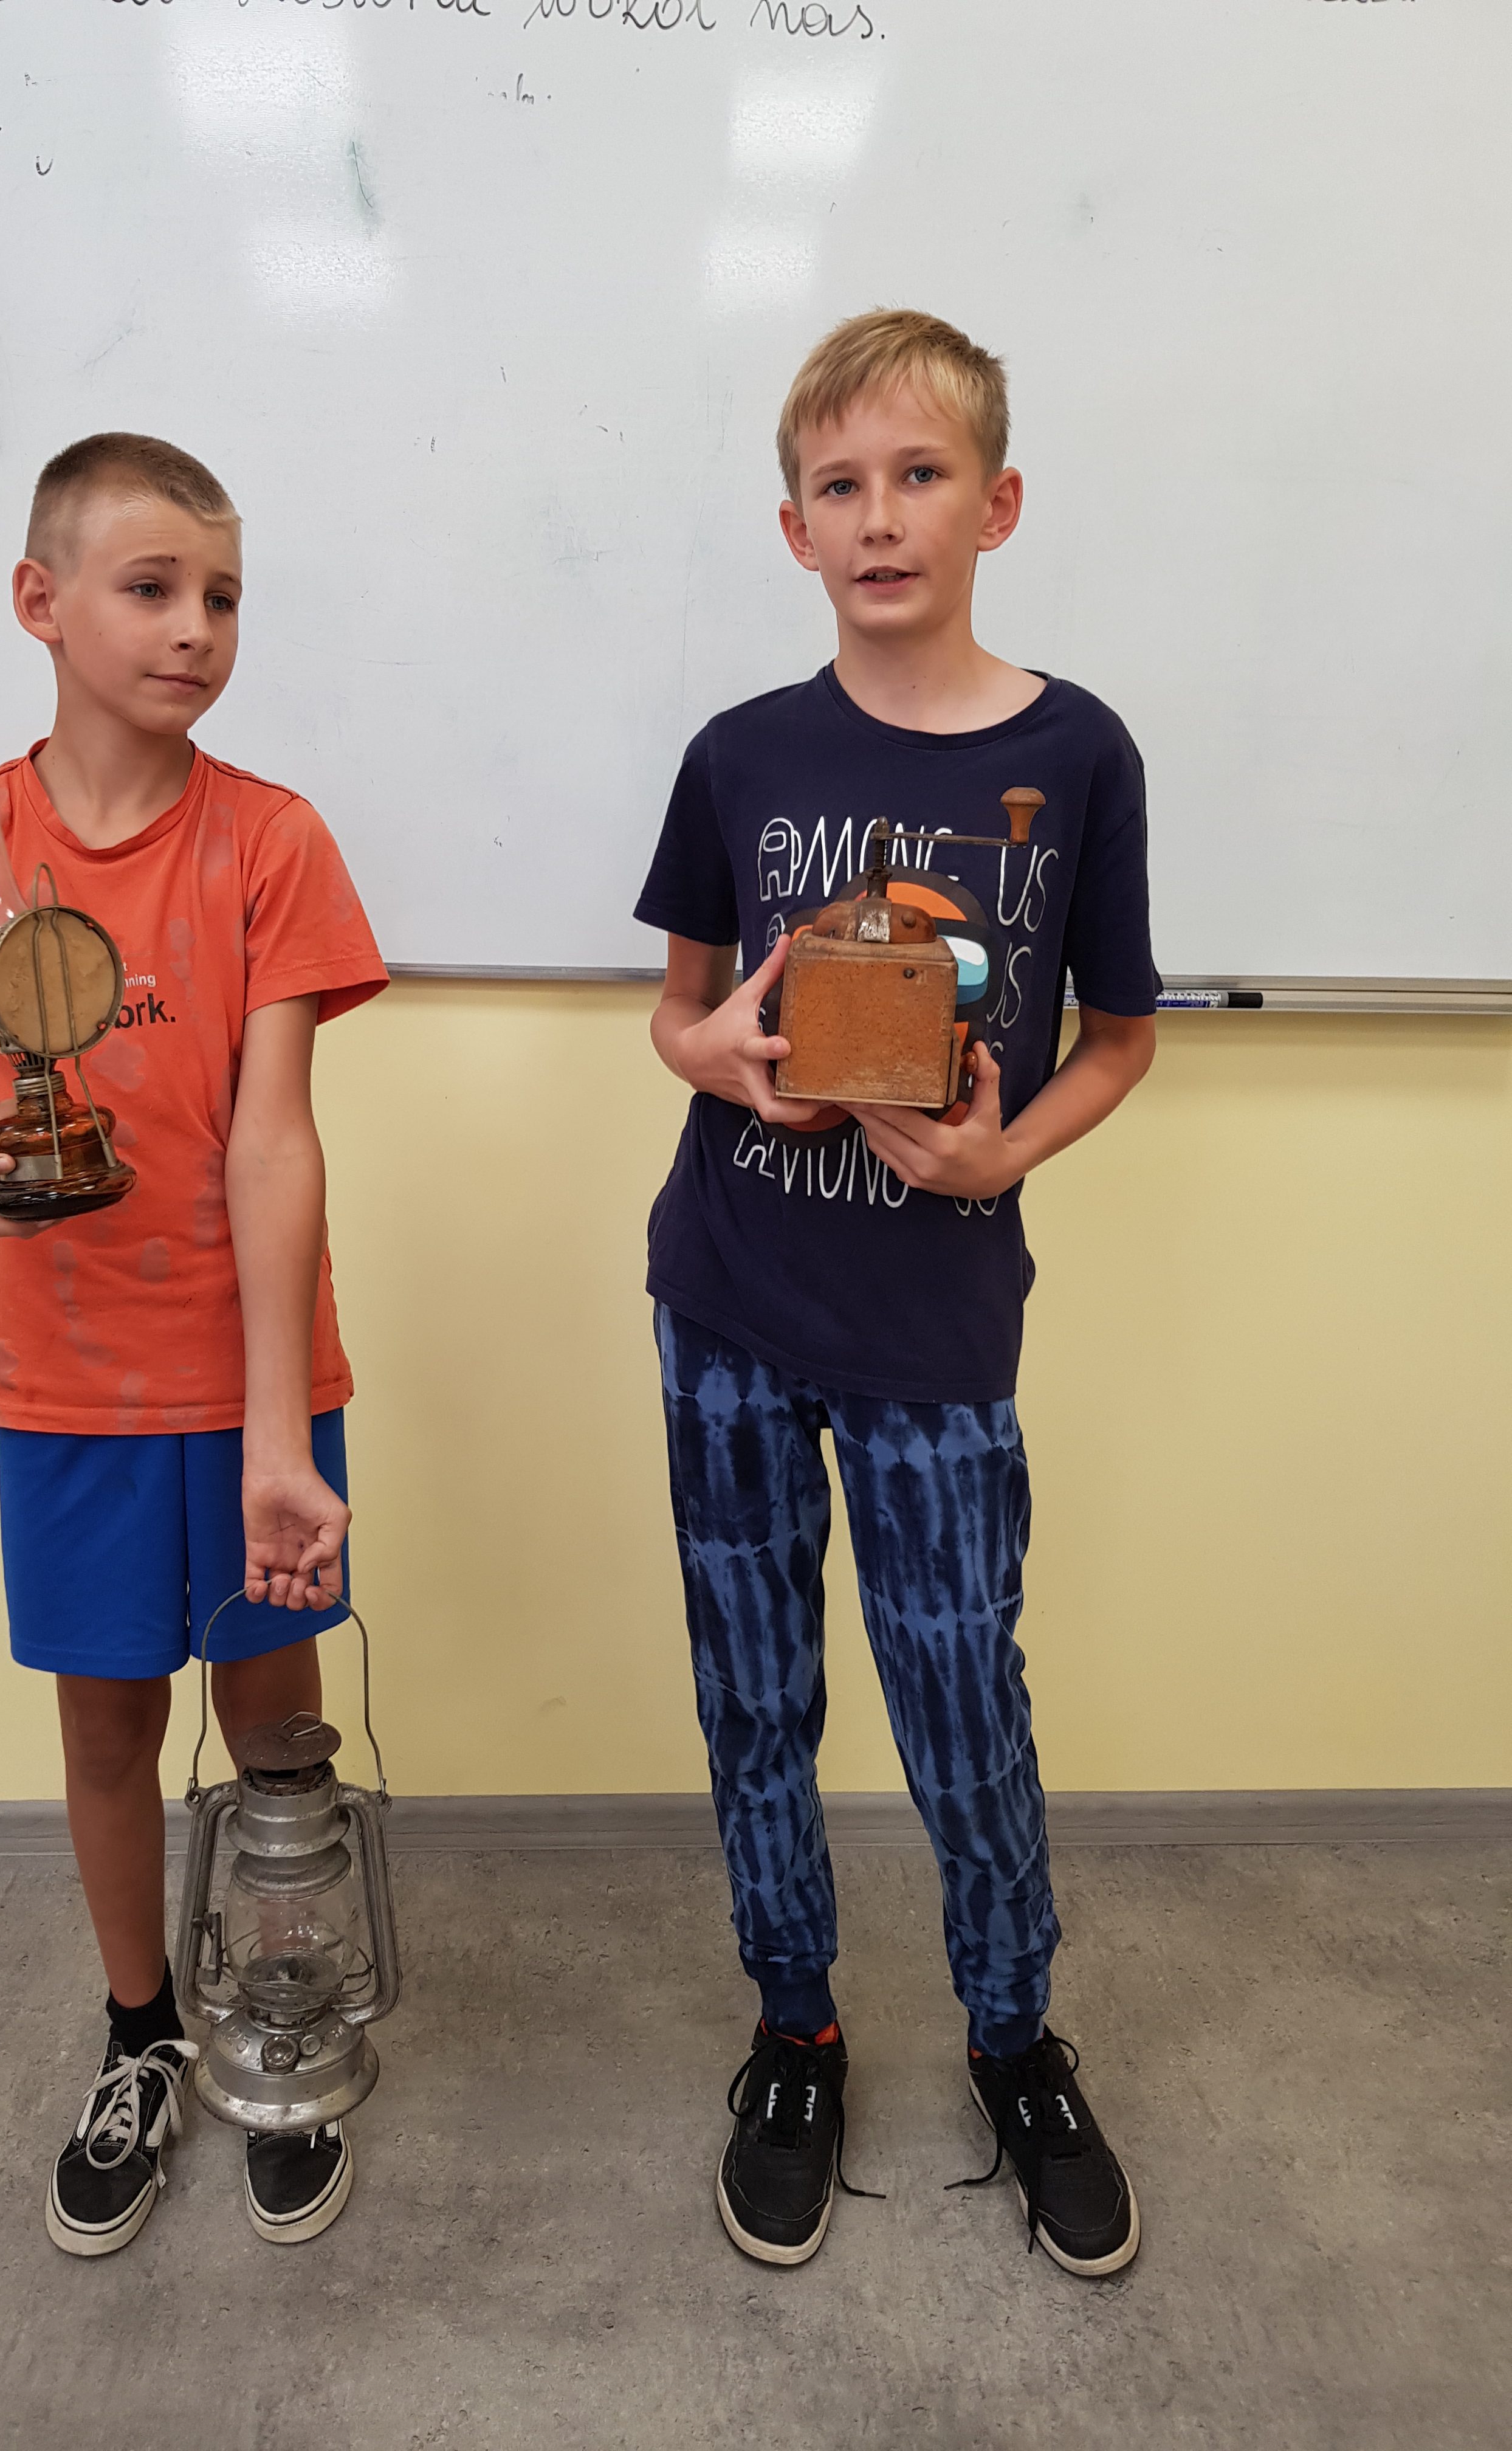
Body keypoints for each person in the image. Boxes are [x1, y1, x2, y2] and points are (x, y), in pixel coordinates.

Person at [634, 311, 1158, 2275]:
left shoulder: (1075, 754)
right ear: (794, 530)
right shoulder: (740, 757)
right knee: (755, 1693)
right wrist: (710, 1059)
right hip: (728, 1300)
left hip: (936, 1332)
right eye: (839, 486)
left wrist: (1006, 1159)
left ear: (994, 504)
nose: (879, 517)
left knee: (961, 1700)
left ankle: (1015, 2038)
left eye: (919, 476)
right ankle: (797, 2029)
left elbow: (1123, 1037)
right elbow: (682, 1017)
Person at [0, 433, 387, 2257]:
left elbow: (275, 1139)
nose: (195, 630)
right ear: (40, 602)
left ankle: (279, 2020)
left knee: (273, 1721)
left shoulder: (271, 839)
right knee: (108, 1720)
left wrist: (278, 1433)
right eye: (152, 588)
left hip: (254, 1382)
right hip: (68, 1382)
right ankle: (140, 2034)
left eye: (223, 598)